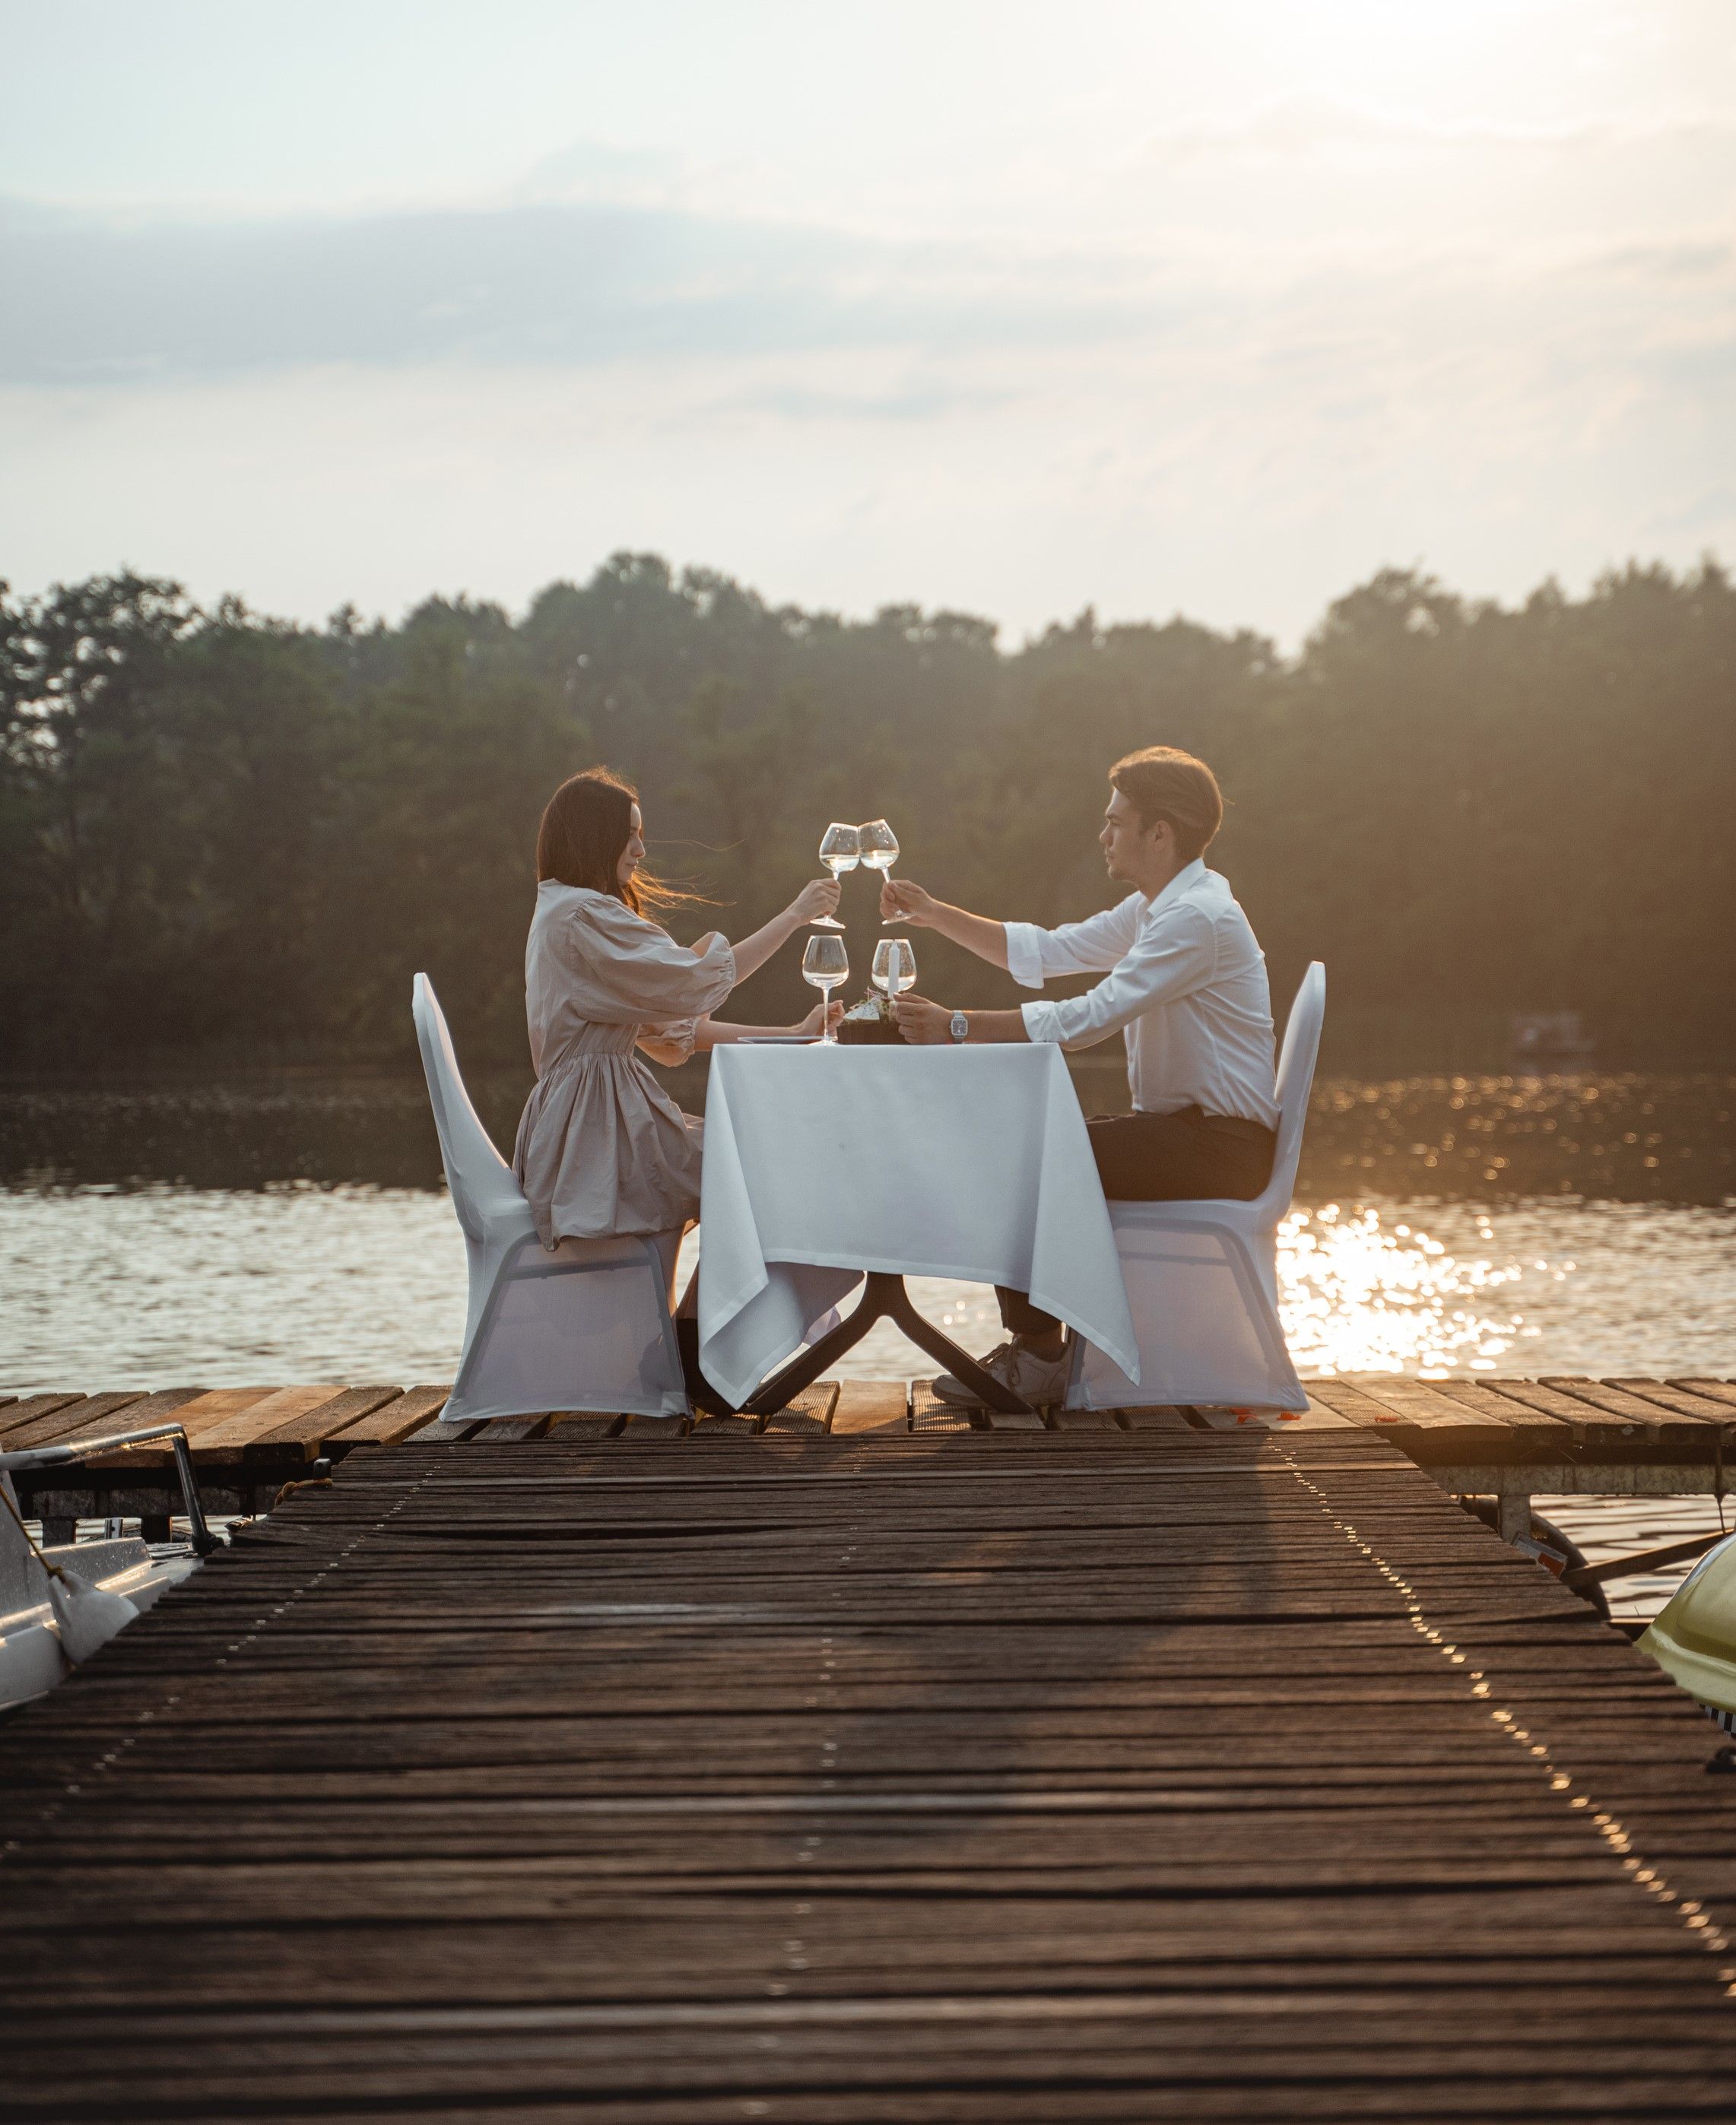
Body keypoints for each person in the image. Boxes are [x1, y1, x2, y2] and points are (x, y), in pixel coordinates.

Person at [881, 745, 1278, 1407]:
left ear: (1160, 832)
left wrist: (956, 1024)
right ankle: (1040, 1349)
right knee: (1025, 1148)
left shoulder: (1194, 919)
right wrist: (933, 913)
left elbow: (1087, 1018)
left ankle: (1037, 1355)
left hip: (1217, 1148)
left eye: (1116, 823)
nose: (1103, 835)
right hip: (1186, 1135)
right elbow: (1051, 949)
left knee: (1021, 1157)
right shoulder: (1162, 906)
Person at [512, 767, 839, 1403]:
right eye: (629, 835)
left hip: (596, 1116)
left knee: (756, 1162)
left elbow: (671, 1033)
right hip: (595, 1130)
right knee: (771, 1168)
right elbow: (694, 983)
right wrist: (795, 916)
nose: (640, 849)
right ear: (593, 837)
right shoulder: (582, 915)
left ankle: (693, 1340)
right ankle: (695, 1344)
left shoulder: (567, 912)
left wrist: (792, 1031)